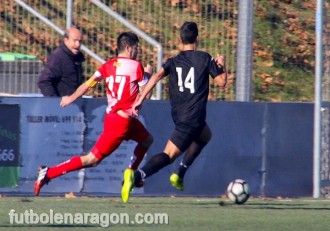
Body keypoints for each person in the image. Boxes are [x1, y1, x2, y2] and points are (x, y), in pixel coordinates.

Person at [34, 32, 154, 200]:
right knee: (91, 159)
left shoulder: (107, 66)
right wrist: (148, 74)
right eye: (136, 48)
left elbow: (88, 84)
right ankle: (48, 173)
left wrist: (71, 97)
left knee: (147, 140)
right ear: (128, 48)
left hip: (116, 118)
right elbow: (146, 95)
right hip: (121, 123)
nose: (137, 52)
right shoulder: (136, 67)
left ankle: (131, 173)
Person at [121, 21, 227, 202]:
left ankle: (179, 174)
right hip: (191, 119)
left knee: (205, 135)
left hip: (180, 116)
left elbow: (154, 77)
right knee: (168, 155)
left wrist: (139, 100)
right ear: (197, 39)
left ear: (180, 39)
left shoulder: (173, 61)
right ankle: (137, 176)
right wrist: (222, 65)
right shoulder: (205, 58)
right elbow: (222, 82)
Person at [37, 26, 85, 97]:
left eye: (80, 41)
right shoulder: (58, 57)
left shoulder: (77, 57)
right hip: (61, 105)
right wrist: (55, 102)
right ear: (66, 40)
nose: (78, 45)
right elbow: (44, 81)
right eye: (74, 41)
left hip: (74, 103)